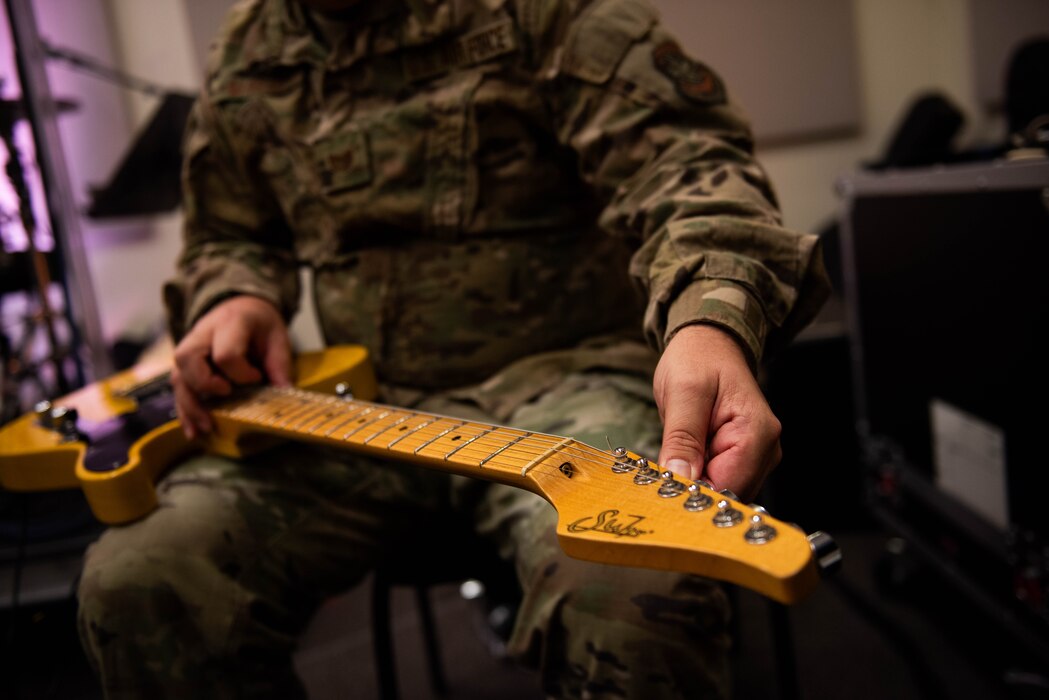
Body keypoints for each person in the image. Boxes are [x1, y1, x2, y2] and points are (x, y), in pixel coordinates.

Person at [76, 0, 830, 697]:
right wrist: (234, 295)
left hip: (568, 383)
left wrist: (709, 324)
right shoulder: (251, 41)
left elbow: (687, 165)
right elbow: (230, 231)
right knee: (142, 576)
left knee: (632, 589)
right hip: (362, 405)